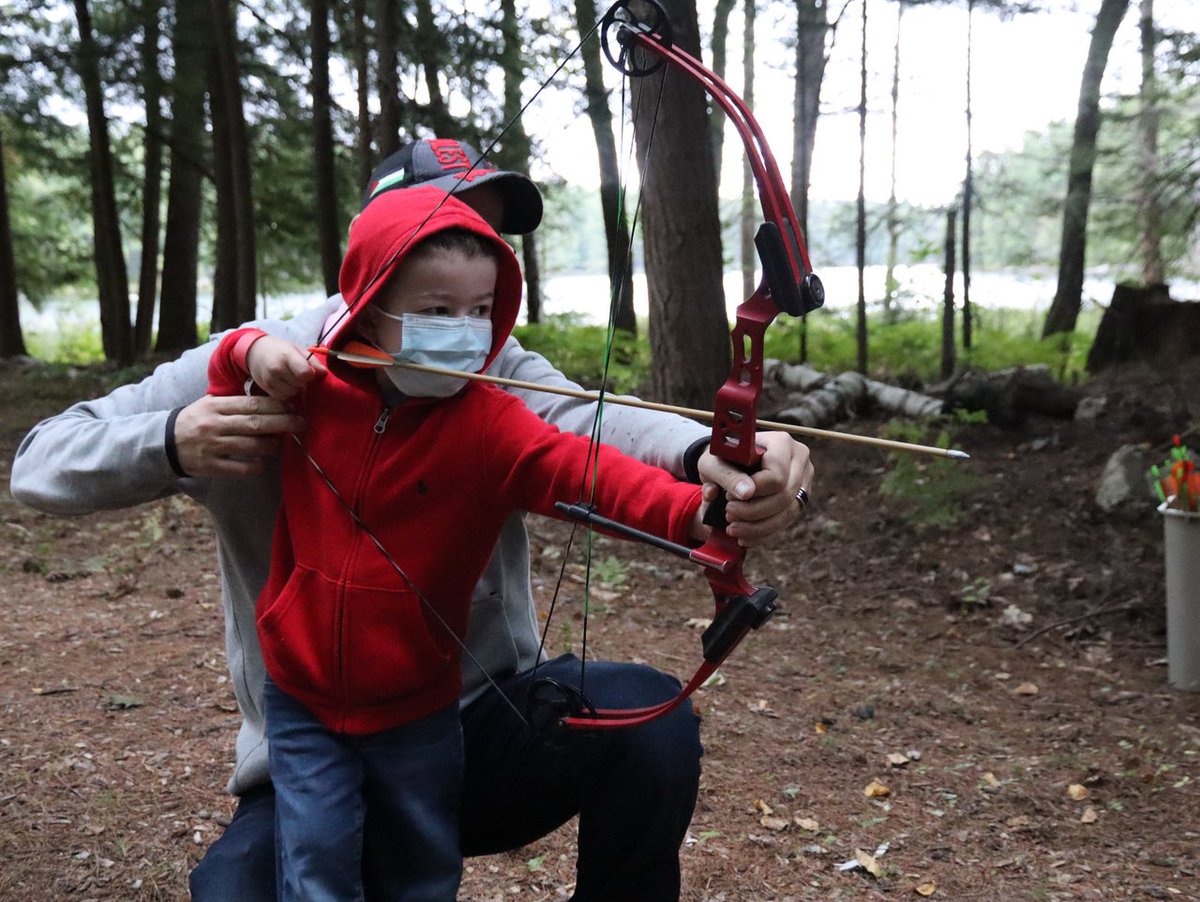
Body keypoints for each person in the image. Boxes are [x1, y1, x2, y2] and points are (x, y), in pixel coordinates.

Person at [10, 137, 815, 901]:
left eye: (485, 237)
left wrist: (718, 461)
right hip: (315, 744)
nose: (470, 249)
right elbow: (41, 462)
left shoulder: (485, 367)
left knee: (646, 723)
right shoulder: (266, 360)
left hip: (476, 729)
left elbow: (591, 432)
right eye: (447, 221)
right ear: (375, 255)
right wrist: (171, 441)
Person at [208, 186, 707, 900]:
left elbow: (588, 470)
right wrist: (254, 351)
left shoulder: (489, 423)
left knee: (421, 867)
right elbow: (225, 364)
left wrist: (697, 514)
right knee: (314, 864)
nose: (465, 331)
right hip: (304, 699)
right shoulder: (311, 385)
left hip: (420, 704)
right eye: (437, 312)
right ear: (371, 303)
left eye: (480, 311)